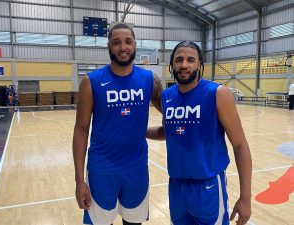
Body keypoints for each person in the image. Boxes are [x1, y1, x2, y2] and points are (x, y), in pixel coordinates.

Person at [147, 41, 252, 225]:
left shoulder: (218, 93)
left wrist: (245, 197)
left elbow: (240, 145)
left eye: (190, 60)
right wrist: (138, 130)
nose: (184, 65)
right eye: (179, 60)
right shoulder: (167, 97)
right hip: (177, 187)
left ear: (199, 65)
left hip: (208, 187)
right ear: (172, 66)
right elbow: (168, 132)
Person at [73, 22, 162, 225]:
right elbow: (81, 130)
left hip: (137, 169)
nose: (123, 47)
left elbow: (174, 116)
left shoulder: (149, 80)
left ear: (135, 45)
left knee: (134, 223)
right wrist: (79, 180)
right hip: (101, 170)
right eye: (116, 42)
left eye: (128, 42)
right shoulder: (91, 81)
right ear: (109, 46)